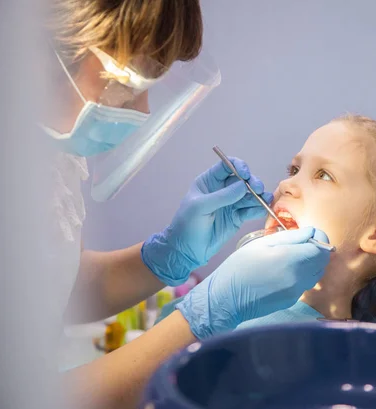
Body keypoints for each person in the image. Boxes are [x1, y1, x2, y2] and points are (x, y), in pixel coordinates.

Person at [42, 2, 331, 409]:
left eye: (325, 175)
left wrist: (165, 257)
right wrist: (202, 317)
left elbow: (45, 288)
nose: (142, 109)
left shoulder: (46, 154)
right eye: (132, 80)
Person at [160, 114, 376, 331]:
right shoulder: (238, 306)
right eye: (294, 170)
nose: (284, 186)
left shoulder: (316, 353)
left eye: (323, 175)